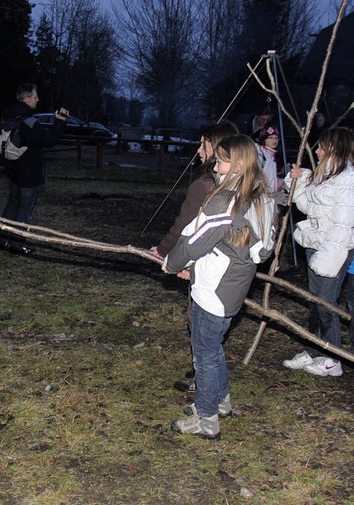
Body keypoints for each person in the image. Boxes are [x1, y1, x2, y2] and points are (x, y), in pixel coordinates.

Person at [163, 134, 277, 439]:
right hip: (232, 288)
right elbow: (259, 250)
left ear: (238, 163)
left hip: (213, 291)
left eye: (222, 159)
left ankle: (207, 418)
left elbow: (195, 243)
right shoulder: (261, 197)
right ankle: (220, 401)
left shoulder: (226, 202)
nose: (216, 162)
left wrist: (173, 263)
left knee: (204, 355)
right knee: (213, 350)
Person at [150, 121, 239, 394]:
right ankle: (207, 375)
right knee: (210, 328)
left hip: (212, 268)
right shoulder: (239, 183)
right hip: (227, 267)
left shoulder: (205, 185)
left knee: (201, 324)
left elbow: (185, 226)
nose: (199, 150)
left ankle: (205, 382)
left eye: (204, 144)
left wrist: (164, 252)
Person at [282, 127, 354, 377]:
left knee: (326, 304)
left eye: (321, 145)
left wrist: (330, 255)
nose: (316, 150)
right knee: (315, 303)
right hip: (314, 244)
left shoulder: (347, 179)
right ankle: (314, 351)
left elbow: (344, 224)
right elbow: (304, 205)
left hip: (332, 248)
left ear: (333, 147)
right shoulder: (325, 175)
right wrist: (299, 179)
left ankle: (333, 358)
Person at [0, 83, 68, 255]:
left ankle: (2, 238)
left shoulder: (7, 116)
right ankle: (18, 243)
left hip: (12, 169)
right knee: (24, 209)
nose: (37, 99)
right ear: (27, 98)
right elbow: (49, 140)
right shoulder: (29, 121)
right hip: (28, 171)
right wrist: (60, 122)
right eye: (35, 96)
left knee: (12, 204)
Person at [256, 125, 284, 194]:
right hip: (261, 194)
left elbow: (271, 178)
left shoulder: (272, 156)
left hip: (270, 195)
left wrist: (283, 183)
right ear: (264, 139)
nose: (274, 140)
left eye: (276, 138)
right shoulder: (260, 153)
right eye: (270, 137)